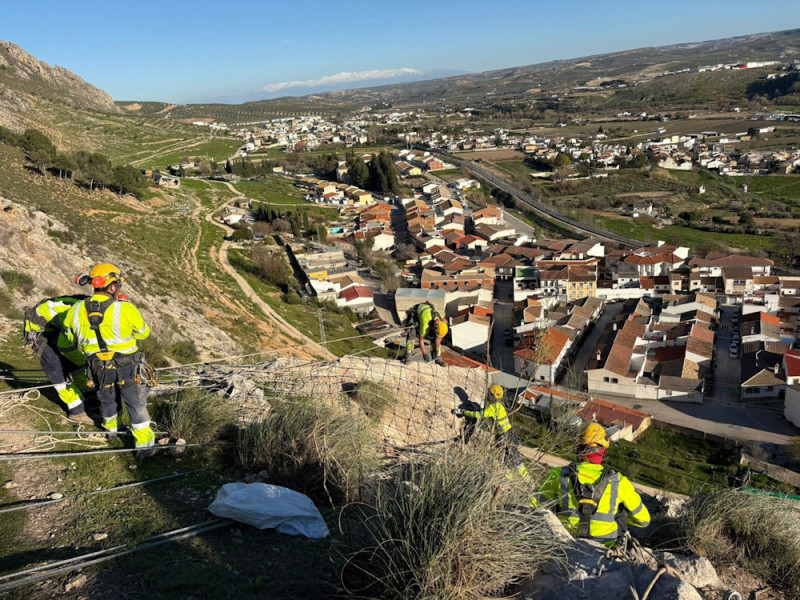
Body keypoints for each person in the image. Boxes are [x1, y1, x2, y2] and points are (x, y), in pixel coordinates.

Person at [59, 263, 155, 457]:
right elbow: (144, 333)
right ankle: (144, 445)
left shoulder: (75, 310)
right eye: (118, 285)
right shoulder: (125, 309)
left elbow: (67, 341)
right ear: (112, 287)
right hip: (127, 365)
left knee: (107, 399)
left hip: (97, 366)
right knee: (135, 403)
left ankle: (112, 430)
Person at [532, 422, 650, 546]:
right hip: (605, 548)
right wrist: (618, 516)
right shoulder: (618, 481)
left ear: (579, 449)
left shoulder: (558, 474)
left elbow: (535, 506)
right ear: (603, 451)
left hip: (566, 543)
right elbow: (644, 520)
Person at [23, 294, 92, 424]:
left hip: (57, 326)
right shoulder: (80, 314)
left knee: (77, 364)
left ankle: (89, 394)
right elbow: (64, 346)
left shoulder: (93, 308)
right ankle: (77, 411)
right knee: (57, 370)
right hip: (38, 329)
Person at [452, 384, 529, 478]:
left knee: (514, 459)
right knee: (507, 459)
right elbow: (485, 412)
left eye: (489, 393)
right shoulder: (499, 405)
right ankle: (510, 479)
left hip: (505, 436)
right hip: (509, 434)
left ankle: (527, 481)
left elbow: (478, 415)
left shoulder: (494, 407)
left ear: (491, 395)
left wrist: (462, 412)